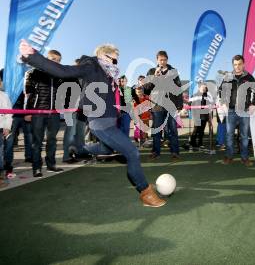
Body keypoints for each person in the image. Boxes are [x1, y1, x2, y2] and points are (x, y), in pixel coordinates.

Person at [19, 40, 165, 207]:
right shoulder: (92, 66)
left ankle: (79, 148)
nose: (116, 63)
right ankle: (144, 191)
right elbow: (64, 71)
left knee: (106, 149)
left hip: (109, 121)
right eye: (114, 59)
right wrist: (32, 56)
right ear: (103, 56)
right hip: (100, 123)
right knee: (132, 152)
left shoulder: (108, 73)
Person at [24, 50, 64, 177]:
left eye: (58, 60)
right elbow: (28, 93)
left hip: (54, 113)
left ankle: (51, 164)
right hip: (38, 112)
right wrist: (28, 111)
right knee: (37, 141)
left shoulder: (60, 75)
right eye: (53, 59)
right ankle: (37, 167)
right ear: (47, 58)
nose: (55, 62)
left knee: (52, 140)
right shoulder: (34, 72)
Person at [218, 55, 255, 166]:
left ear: (243, 64)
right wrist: (223, 103)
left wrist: (254, 104)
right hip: (231, 111)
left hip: (245, 111)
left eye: (239, 64)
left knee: (244, 136)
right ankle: (229, 156)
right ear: (233, 65)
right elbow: (221, 90)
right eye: (235, 64)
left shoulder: (249, 77)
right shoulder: (228, 77)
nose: (237, 66)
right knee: (229, 135)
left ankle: (245, 158)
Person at [144, 50, 183, 161]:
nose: (163, 62)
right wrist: (154, 77)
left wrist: (180, 105)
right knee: (156, 130)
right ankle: (155, 152)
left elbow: (178, 88)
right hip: (157, 106)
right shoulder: (151, 71)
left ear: (167, 59)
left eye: (164, 60)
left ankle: (175, 152)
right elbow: (146, 88)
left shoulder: (173, 71)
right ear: (157, 60)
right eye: (160, 60)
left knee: (173, 130)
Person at [188, 83, 214, 150]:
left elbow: (212, 104)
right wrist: (192, 110)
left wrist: (210, 114)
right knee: (196, 130)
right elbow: (189, 104)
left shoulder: (208, 96)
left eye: (205, 87)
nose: (204, 88)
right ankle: (193, 143)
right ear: (199, 88)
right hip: (197, 115)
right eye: (203, 87)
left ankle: (200, 143)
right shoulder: (195, 95)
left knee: (202, 130)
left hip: (205, 115)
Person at [0, 72, 12, 187]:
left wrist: (7, 127)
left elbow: (9, 113)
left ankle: (0, 176)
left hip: (0, 128)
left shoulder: (4, 96)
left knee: (0, 153)